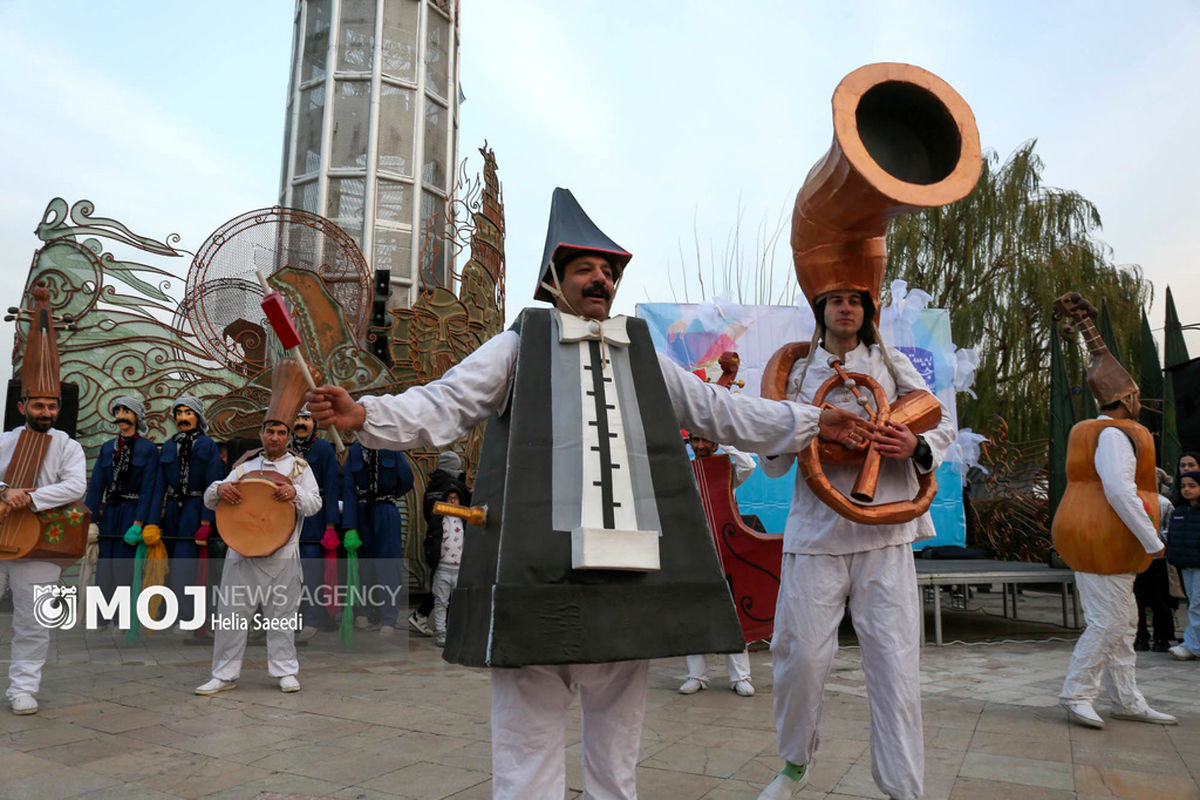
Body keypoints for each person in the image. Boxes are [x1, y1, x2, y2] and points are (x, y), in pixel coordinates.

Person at [307, 188, 867, 799]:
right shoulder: (519, 345)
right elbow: (447, 401)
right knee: (525, 754)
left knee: (616, 760)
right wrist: (365, 414)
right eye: (584, 270)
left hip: (629, 576)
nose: (599, 280)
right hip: (537, 573)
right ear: (553, 279)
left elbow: (721, 412)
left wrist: (813, 421)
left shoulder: (645, 352)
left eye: (607, 271)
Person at [756, 287, 956, 800]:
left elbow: (940, 422)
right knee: (798, 660)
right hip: (815, 534)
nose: (846, 308)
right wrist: (812, 433)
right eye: (835, 300)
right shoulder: (797, 375)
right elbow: (773, 465)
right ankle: (794, 765)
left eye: (856, 300)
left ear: (868, 312)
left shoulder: (889, 367)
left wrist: (915, 446)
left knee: (893, 665)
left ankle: (903, 787)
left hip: (884, 536)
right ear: (820, 310)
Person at [1057, 385, 1177, 729]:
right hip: (1102, 538)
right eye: (1137, 396)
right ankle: (1077, 692)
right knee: (1108, 623)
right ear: (1126, 400)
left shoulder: (1096, 433)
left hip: (1099, 536)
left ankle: (1126, 699)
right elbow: (1120, 490)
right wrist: (1151, 539)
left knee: (1124, 625)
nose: (1140, 402)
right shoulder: (1113, 434)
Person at [0, 290, 87, 715]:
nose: (47, 410)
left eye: (52, 404)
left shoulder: (68, 446)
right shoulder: (5, 441)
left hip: (41, 543)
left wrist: (28, 497)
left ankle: (23, 688)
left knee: (33, 621)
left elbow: (75, 487)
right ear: (23, 406)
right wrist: (3, 492)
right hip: (0, 531)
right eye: (39, 404)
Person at [196, 410, 321, 695]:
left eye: (280, 432)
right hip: (242, 553)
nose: (274, 437)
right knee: (231, 616)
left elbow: (315, 504)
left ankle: (285, 671)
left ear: (288, 436)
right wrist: (221, 489)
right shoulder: (244, 466)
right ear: (262, 434)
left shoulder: (300, 468)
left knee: (282, 616)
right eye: (270, 432)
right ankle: (223, 675)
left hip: (283, 555)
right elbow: (210, 497)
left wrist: (294, 493)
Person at [680, 432, 758, 697]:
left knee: (732, 613)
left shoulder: (727, 469)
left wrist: (721, 437)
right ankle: (697, 675)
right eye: (695, 440)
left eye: (706, 440)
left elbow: (749, 464)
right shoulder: (683, 469)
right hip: (693, 547)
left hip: (725, 547)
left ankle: (740, 677)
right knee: (693, 611)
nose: (701, 446)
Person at [145, 395, 224, 632]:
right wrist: (151, 522)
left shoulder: (208, 445)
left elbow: (214, 485)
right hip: (172, 510)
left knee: (187, 563)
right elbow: (159, 487)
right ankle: (172, 612)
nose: (182, 418)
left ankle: (191, 615)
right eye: (179, 413)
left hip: (196, 506)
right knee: (168, 563)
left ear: (198, 416)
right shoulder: (168, 446)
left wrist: (206, 521)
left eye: (188, 413)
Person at [84, 396, 159, 626]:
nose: (121, 416)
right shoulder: (107, 448)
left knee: (125, 566)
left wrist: (139, 522)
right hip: (111, 513)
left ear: (136, 416)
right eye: (117, 411)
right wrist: (91, 520)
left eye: (126, 411)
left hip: (132, 511)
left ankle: (122, 618)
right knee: (105, 564)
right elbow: (96, 486)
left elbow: (149, 490)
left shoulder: (148, 450)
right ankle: (101, 617)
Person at [341, 443, 414, 635]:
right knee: (363, 566)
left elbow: (406, 479)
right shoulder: (355, 451)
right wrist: (350, 526)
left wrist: (388, 495)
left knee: (389, 564)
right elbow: (349, 489)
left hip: (386, 512)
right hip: (362, 511)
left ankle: (388, 617)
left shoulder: (391, 447)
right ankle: (363, 612)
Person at [290, 408, 341, 640]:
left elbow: (331, 488)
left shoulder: (323, 450)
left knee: (311, 571)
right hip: (288, 516)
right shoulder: (284, 448)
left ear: (315, 423)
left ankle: (314, 619)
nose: (301, 423)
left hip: (315, 517)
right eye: (297, 419)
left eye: (306, 419)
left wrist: (330, 525)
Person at [409, 450, 469, 637]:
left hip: (435, 543)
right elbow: (466, 511)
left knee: (440, 586)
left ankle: (423, 616)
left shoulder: (432, 486)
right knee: (446, 589)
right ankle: (435, 622)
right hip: (450, 545)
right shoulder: (453, 487)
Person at [423, 476, 469, 646]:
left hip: (459, 569)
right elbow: (430, 540)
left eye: (455, 498)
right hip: (442, 568)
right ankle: (441, 631)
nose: (452, 502)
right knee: (441, 602)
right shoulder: (438, 521)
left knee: (458, 603)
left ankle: (456, 631)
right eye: (449, 499)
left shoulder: (465, 521)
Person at [1133, 467, 1177, 651]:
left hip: (1158, 560)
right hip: (1134, 557)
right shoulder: (1132, 502)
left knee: (1160, 599)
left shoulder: (1164, 503)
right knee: (1136, 599)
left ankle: (1162, 637)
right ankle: (1139, 635)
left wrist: (1158, 545)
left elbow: (1168, 528)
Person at [1167, 467, 1200, 661]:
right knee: (1193, 603)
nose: (1186, 490)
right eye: (1183, 486)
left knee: (1197, 604)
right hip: (1186, 565)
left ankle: (1192, 644)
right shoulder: (1178, 511)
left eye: (1192, 486)